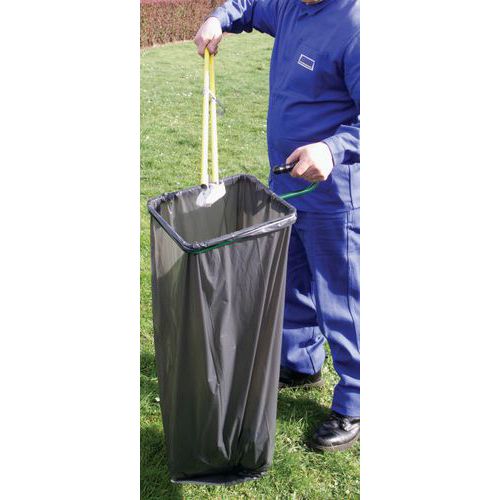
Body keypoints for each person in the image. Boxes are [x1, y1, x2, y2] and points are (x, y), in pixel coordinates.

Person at [194, 0, 360, 452]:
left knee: (342, 297)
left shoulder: (356, 25)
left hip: (333, 195)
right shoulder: (290, 5)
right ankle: (301, 362)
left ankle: (355, 399)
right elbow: (248, 5)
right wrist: (218, 19)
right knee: (293, 280)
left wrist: (332, 149)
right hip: (287, 182)